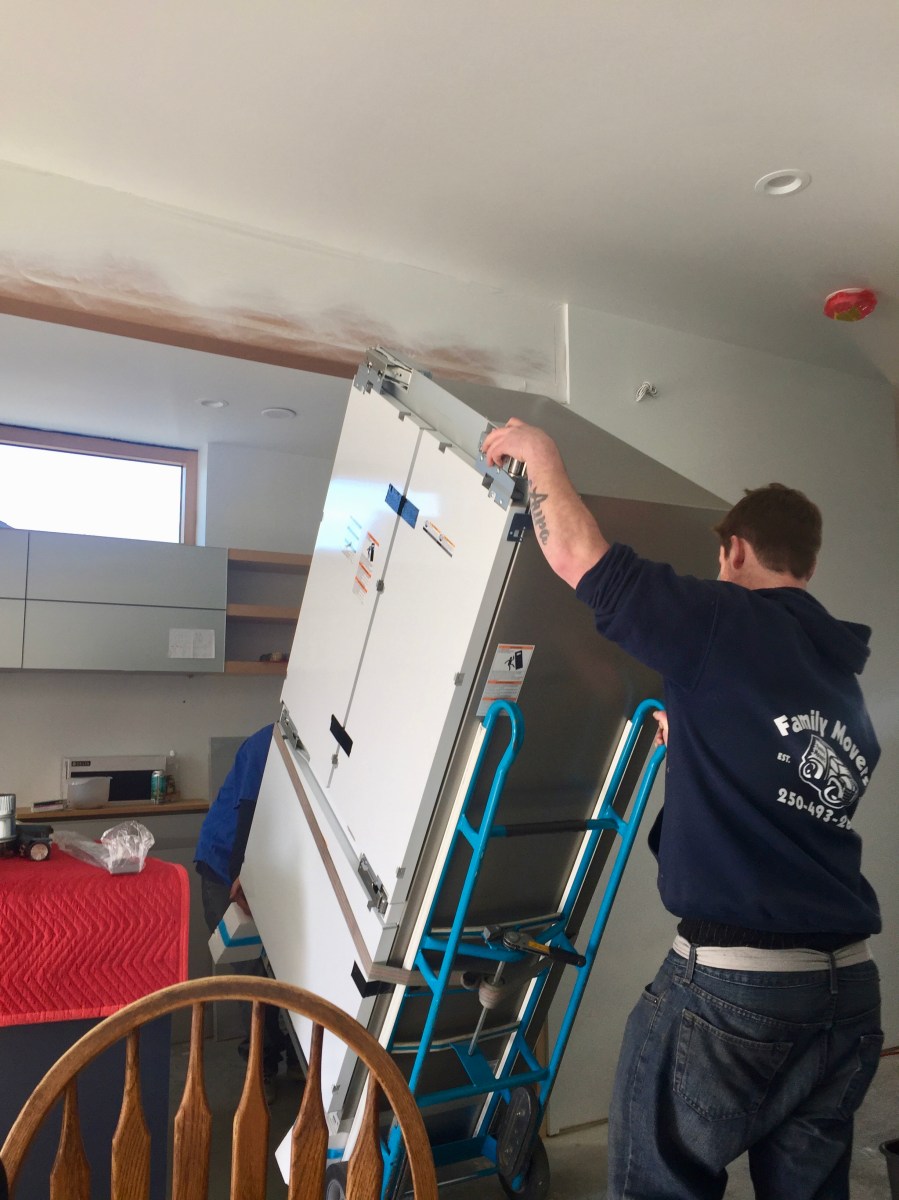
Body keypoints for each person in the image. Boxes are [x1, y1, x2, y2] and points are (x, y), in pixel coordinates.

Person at [482, 419, 882, 1200]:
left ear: (732, 549)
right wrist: (695, 731)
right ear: (806, 563)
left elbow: (578, 558)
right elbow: (787, 787)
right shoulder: (838, 680)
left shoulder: (723, 619)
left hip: (736, 992)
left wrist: (538, 454)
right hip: (845, 992)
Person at [194, 723, 288, 1100]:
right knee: (250, 973)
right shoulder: (266, 744)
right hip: (224, 866)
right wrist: (243, 880)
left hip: (272, 868)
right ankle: (258, 1067)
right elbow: (248, 816)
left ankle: (282, 1050)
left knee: (278, 970)